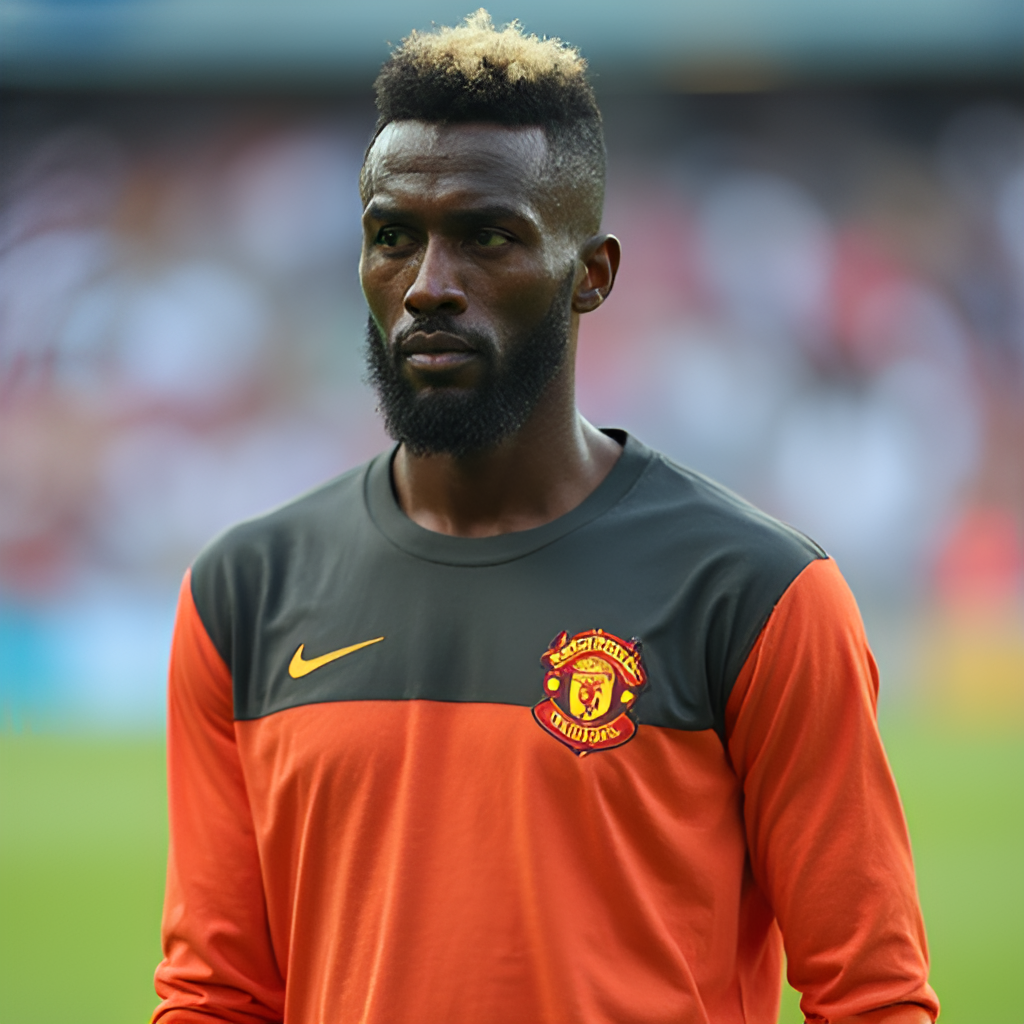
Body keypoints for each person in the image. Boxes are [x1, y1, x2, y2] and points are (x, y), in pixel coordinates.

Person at [152, 12, 939, 1024]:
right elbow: (215, 996)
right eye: (393, 236)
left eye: (487, 236)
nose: (429, 285)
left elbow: (870, 994)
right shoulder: (243, 591)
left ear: (592, 275)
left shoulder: (756, 593)